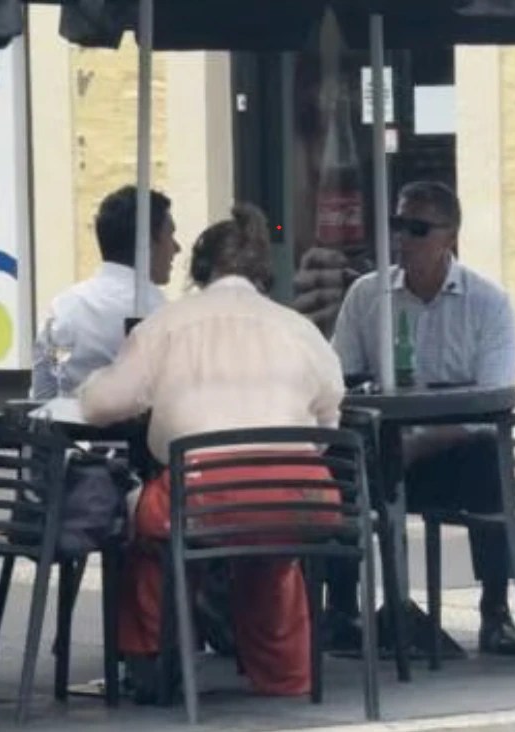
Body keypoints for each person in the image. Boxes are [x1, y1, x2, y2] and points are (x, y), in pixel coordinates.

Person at [79, 204, 345, 699]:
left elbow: (100, 405)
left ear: (199, 270)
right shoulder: (301, 330)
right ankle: (286, 675)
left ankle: (154, 665)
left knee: (147, 532)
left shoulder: (165, 326)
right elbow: (329, 421)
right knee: (270, 557)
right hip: (299, 499)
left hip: (203, 496)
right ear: (263, 272)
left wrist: (93, 385)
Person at [330, 181, 515, 655]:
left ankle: (495, 611)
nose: (403, 238)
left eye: (417, 229)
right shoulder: (367, 295)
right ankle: (342, 611)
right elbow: (338, 381)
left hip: (452, 454)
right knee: (332, 469)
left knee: (490, 460)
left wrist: (423, 441)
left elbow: (494, 404)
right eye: (398, 225)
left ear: (450, 236)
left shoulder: (488, 302)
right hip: (379, 449)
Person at [30, 185, 179, 398]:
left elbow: (42, 395)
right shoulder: (163, 317)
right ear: (148, 244)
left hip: (69, 418)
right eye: (170, 235)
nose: (176, 248)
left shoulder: (63, 307)